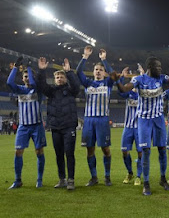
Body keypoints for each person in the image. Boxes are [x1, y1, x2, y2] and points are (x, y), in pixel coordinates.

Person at [111, 56, 169, 196]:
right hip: (144, 120)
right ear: (150, 68)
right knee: (146, 151)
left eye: (160, 67)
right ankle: (146, 183)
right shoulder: (139, 80)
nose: (160, 69)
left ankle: (163, 179)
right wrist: (117, 81)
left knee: (162, 149)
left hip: (158, 119)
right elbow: (124, 89)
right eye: (158, 67)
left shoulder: (161, 78)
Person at [37, 57, 80, 190]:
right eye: (57, 77)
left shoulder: (71, 91)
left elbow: (77, 86)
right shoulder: (51, 92)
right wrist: (42, 71)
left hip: (69, 127)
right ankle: (62, 179)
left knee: (69, 153)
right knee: (59, 154)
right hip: (56, 127)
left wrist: (69, 72)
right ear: (54, 79)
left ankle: (71, 180)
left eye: (62, 76)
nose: (60, 78)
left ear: (65, 78)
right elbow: (41, 86)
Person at [76, 46, 114, 187]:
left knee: (105, 149)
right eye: (96, 70)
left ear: (104, 73)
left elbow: (114, 74)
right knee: (90, 149)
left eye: (101, 70)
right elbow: (78, 71)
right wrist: (85, 56)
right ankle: (94, 177)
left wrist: (104, 60)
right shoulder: (87, 83)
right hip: (89, 120)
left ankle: (107, 176)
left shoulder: (108, 83)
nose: (98, 71)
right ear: (93, 72)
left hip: (102, 120)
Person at [7, 57, 46, 189]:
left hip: (37, 125)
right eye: (25, 77)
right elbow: (9, 81)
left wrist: (29, 68)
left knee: (39, 151)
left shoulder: (37, 90)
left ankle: (39, 179)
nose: (27, 78)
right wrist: (16, 67)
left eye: (29, 76)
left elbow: (34, 84)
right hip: (23, 126)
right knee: (18, 151)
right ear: (22, 79)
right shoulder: (19, 90)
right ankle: (18, 180)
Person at [118, 67, 143, 186]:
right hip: (128, 127)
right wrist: (122, 77)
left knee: (140, 152)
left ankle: (138, 176)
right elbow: (120, 91)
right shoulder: (129, 94)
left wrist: (144, 76)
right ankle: (130, 172)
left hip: (140, 127)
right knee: (124, 151)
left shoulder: (144, 95)